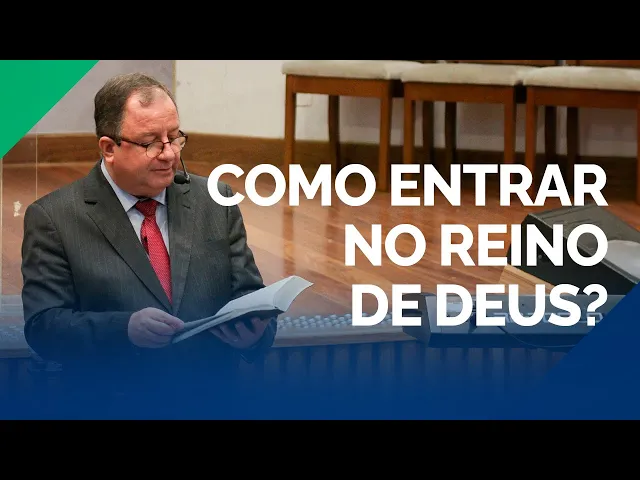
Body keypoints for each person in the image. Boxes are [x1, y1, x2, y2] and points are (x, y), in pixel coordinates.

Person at [20, 73, 277, 418]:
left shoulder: (216, 200)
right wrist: (124, 329)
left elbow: (250, 296)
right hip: (113, 405)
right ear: (109, 148)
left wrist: (256, 335)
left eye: (175, 137)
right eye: (150, 143)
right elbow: (45, 327)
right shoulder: (54, 218)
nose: (169, 154)